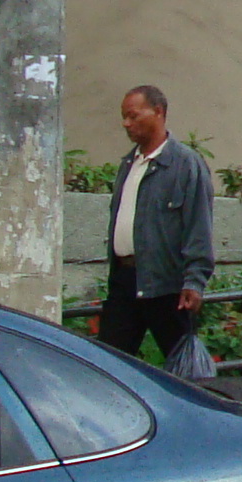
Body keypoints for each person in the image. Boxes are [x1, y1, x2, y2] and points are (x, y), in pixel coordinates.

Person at [98, 85, 215, 365]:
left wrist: (194, 280)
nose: (127, 123)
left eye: (134, 116)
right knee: (108, 363)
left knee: (186, 368)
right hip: (126, 280)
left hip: (167, 285)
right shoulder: (129, 164)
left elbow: (199, 225)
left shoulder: (185, 165)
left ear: (158, 112)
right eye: (124, 117)